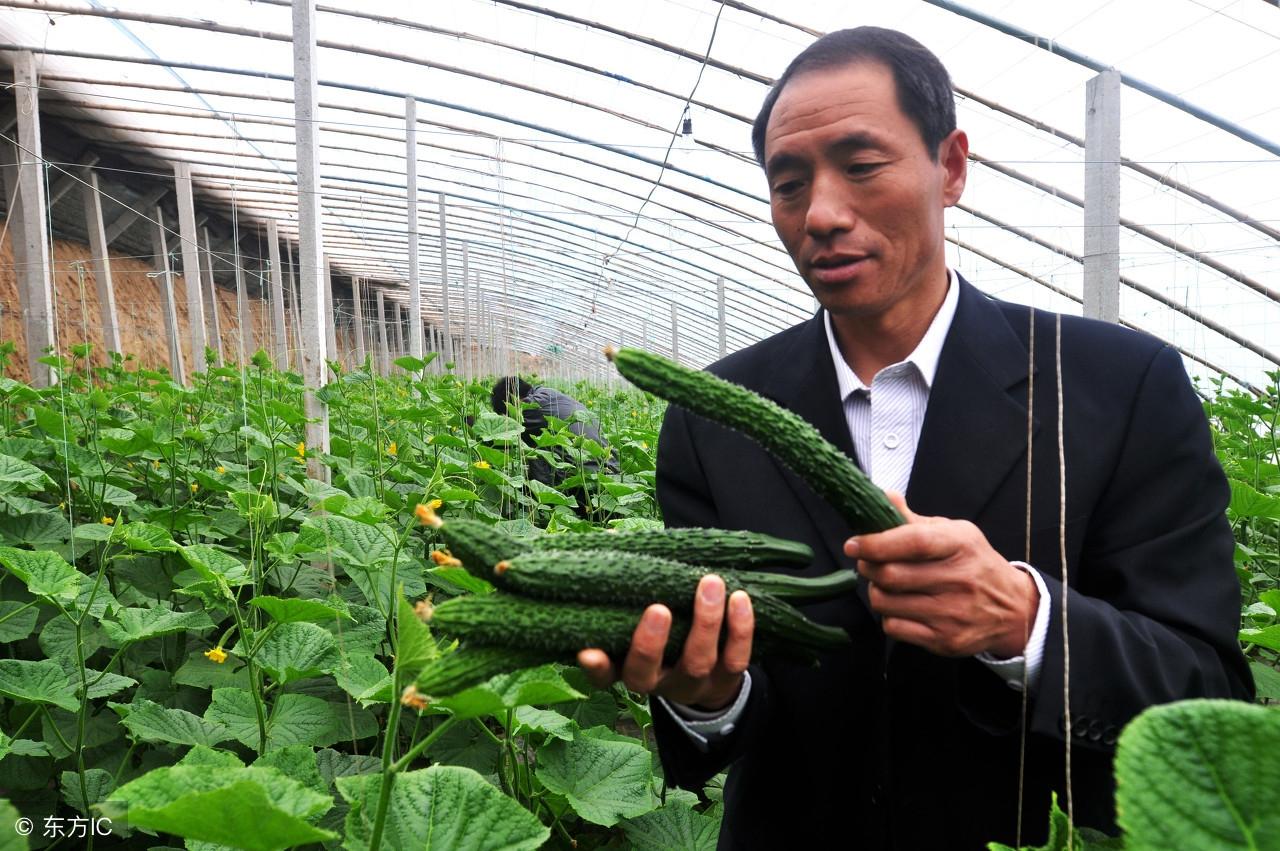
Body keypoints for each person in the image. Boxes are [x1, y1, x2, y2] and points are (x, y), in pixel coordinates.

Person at [577, 26, 1252, 850]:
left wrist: (1024, 621)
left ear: (952, 167)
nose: (821, 213)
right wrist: (704, 694)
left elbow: (1208, 689)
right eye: (789, 183)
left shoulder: (1121, 384)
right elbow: (719, 720)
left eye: (861, 167)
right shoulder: (711, 411)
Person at [491, 376, 619, 510]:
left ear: (513, 401)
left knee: (535, 454)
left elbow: (495, 435)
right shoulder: (550, 394)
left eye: (506, 413)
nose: (508, 417)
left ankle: (544, 509)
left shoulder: (530, 407)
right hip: (611, 473)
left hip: (585, 485)